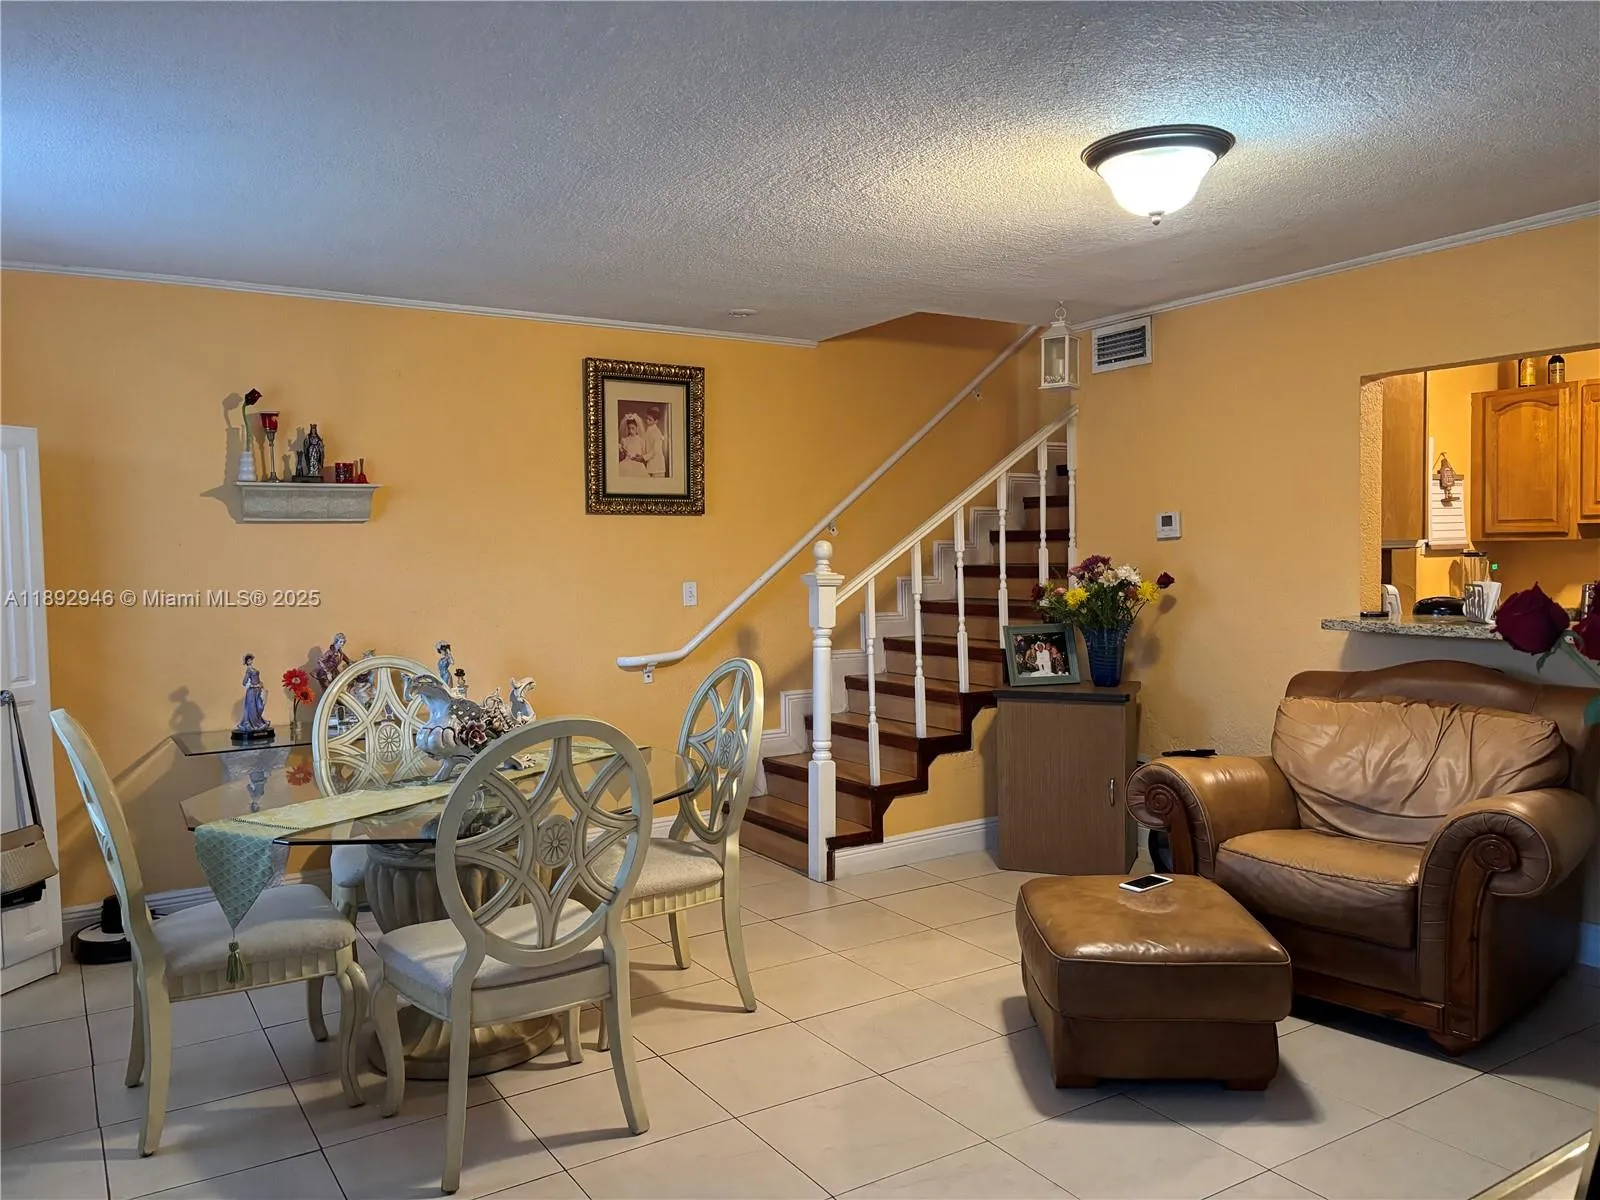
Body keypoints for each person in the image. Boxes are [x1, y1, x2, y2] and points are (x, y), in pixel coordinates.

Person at [641, 411, 667, 477]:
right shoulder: (648, 430)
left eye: (650, 420)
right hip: (650, 464)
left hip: (657, 466)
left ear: (656, 421)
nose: (647, 421)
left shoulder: (657, 432)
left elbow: (655, 450)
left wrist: (643, 457)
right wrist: (642, 455)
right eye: (647, 418)